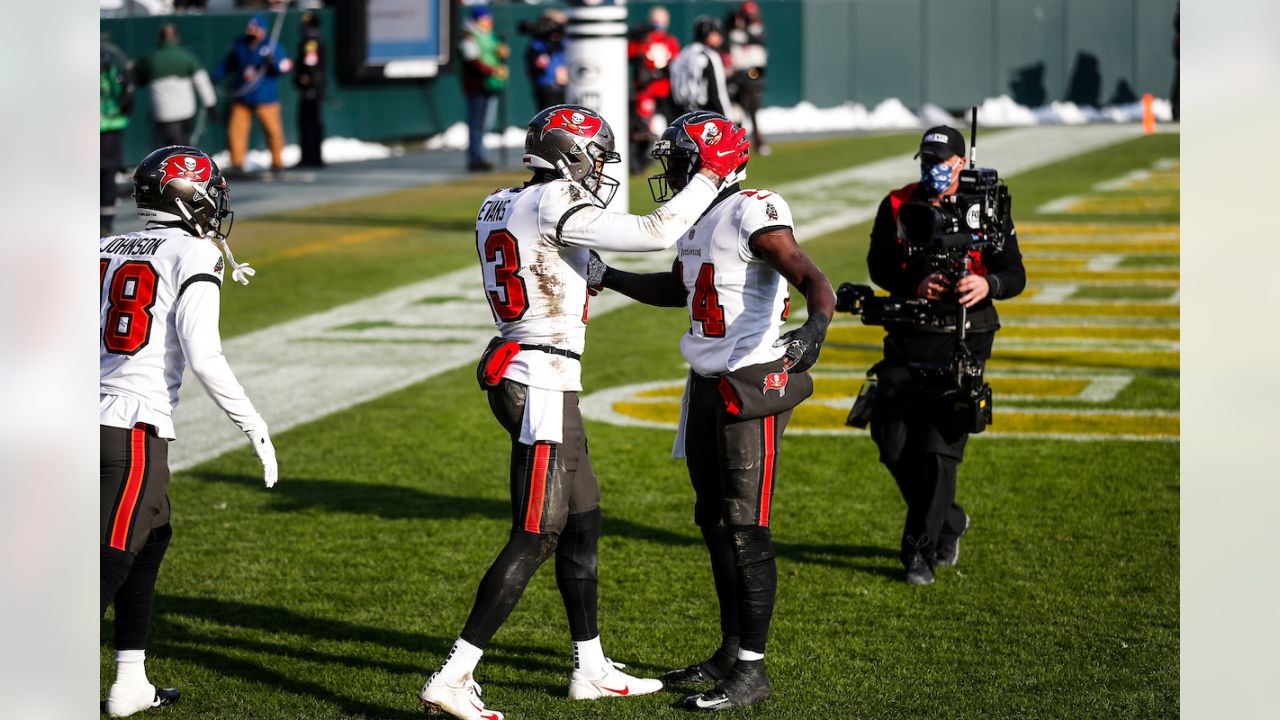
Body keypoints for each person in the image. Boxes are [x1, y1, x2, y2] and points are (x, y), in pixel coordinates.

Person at [417, 104, 749, 720]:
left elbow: (549, 259)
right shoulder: (551, 202)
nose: (600, 168)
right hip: (538, 376)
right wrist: (708, 176)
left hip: (539, 370)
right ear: (571, 153)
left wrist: (592, 272)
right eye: (595, 154)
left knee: (584, 518)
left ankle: (590, 666)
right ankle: (454, 676)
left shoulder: (502, 201)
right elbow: (655, 232)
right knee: (538, 531)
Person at [592, 111, 835, 711]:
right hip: (705, 380)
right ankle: (731, 650)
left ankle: (752, 669)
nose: (668, 168)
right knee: (714, 519)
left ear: (711, 159)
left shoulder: (753, 206)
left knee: (747, 525)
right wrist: (609, 274)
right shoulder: (697, 214)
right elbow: (679, 289)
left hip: (750, 380)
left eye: (677, 156)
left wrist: (817, 327)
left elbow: (810, 275)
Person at [100, 145, 277, 716]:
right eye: (210, 187)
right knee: (111, 556)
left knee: (152, 538)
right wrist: (252, 422)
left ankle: (131, 681)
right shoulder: (192, 250)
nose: (218, 197)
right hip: (131, 427)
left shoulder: (102, 245)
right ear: (188, 193)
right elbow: (204, 356)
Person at [865, 126, 1025, 585]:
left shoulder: (988, 205)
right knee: (891, 440)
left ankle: (921, 552)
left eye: (940, 161)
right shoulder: (897, 203)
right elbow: (878, 263)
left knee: (938, 447)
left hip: (965, 334)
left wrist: (987, 284)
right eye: (926, 161)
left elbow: (1014, 272)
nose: (931, 170)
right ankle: (950, 520)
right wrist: (915, 280)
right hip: (908, 330)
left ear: (960, 162)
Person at [213, 13, 293, 174]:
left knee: (273, 130)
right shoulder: (241, 45)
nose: (251, 32)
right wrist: (216, 76)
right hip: (244, 96)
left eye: (255, 29)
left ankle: (277, 161)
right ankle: (237, 162)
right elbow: (228, 63)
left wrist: (273, 63)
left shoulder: (271, 46)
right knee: (236, 130)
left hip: (265, 97)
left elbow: (284, 66)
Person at [135, 24, 219, 148]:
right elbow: (202, 81)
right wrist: (211, 104)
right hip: (186, 113)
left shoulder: (150, 59)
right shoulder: (187, 57)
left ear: (159, 38)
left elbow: (139, 78)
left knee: (167, 149)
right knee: (183, 146)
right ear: (177, 38)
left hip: (162, 114)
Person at [627, 5, 681, 175]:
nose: (658, 27)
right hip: (645, 92)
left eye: (661, 23)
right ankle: (638, 162)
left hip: (664, 90)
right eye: (656, 23)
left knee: (673, 125)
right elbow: (629, 55)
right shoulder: (641, 41)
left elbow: (675, 64)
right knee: (639, 129)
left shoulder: (670, 41)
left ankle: (676, 157)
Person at [459, 5, 509, 172]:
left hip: (491, 85)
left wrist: (501, 54)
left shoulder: (490, 37)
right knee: (477, 124)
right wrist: (494, 70)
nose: (488, 22)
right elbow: (473, 62)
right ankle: (476, 158)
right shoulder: (469, 38)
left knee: (485, 123)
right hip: (477, 86)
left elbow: (494, 56)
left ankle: (481, 155)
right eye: (485, 19)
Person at [101, 34, 135, 236]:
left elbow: (123, 95)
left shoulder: (110, 70)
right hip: (104, 128)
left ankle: (105, 224)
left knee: (107, 176)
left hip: (109, 129)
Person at [725, 2, 769, 155]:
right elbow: (726, 32)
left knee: (753, 108)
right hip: (738, 73)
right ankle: (736, 143)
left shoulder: (757, 29)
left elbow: (759, 38)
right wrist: (734, 21)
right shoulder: (734, 31)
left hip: (754, 72)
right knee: (737, 109)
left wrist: (744, 28)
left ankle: (758, 141)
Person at [669, 17, 731, 118]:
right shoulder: (708, 55)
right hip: (705, 113)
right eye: (717, 33)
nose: (720, 37)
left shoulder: (683, 53)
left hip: (680, 114)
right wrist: (726, 118)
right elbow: (717, 93)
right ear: (708, 34)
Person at [293, 10, 327, 168]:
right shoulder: (314, 40)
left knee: (309, 122)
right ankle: (312, 155)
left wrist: (308, 79)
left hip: (311, 89)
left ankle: (311, 156)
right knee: (312, 122)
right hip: (315, 87)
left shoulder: (311, 42)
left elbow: (310, 64)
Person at [521, 9, 568, 111]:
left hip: (565, 86)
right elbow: (535, 66)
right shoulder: (539, 43)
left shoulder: (564, 42)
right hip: (547, 86)